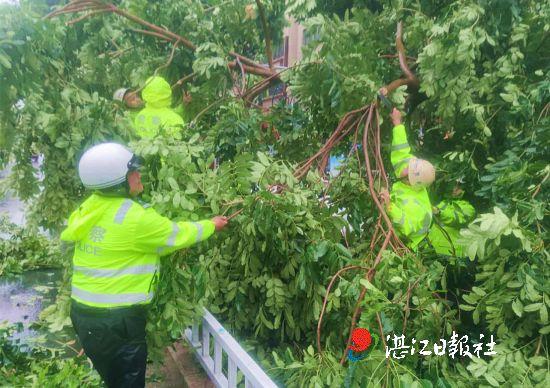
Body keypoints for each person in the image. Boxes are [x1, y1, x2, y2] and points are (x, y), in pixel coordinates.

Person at [60, 142, 228, 387]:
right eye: (133, 172)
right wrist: (212, 224)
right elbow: (176, 235)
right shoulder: (134, 218)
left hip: (84, 316)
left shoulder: (89, 207)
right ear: (118, 180)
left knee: (113, 379)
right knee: (129, 382)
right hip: (118, 323)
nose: (139, 176)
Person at [378, 88, 475, 255]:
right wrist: (397, 124)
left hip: (419, 248)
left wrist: (389, 206)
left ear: (411, 182)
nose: (404, 168)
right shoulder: (411, 173)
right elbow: (401, 151)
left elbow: (407, 225)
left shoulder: (419, 209)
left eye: (407, 171)